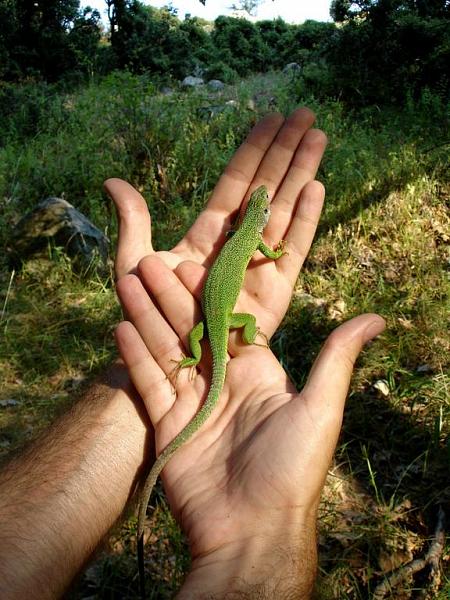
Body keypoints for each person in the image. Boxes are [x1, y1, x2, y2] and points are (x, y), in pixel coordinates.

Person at [0, 108, 385, 599]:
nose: (261, 209)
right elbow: (266, 254)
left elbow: (242, 248)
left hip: (209, 324)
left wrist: (191, 356)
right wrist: (272, 269)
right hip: (222, 324)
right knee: (231, 336)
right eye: (261, 210)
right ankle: (232, 346)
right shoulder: (257, 242)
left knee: (208, 342)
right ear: (259, 223)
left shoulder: (234, 236)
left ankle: (199, 356)